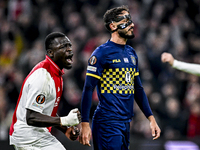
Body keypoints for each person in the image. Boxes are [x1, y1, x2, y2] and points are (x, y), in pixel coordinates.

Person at [79, 5, 161, 150]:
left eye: (131, 20)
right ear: (112, 26)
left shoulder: (131, 53)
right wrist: (85, 123)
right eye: (126, 20)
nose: (132, 24)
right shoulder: (101, 53)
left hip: (125, 123)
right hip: (107, 122)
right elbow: (88, 88)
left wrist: (151, 118)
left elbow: (138, 88)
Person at [9, 32, 82, 150]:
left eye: (69, 46)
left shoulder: (56, 75)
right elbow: (31, 117)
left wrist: (65, 129)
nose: (69, 50)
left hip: (35, 134)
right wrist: (64, 120)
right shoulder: (43, 77)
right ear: (50, 53)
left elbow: (45, 111)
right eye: (63, 47)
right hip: (28, 136)